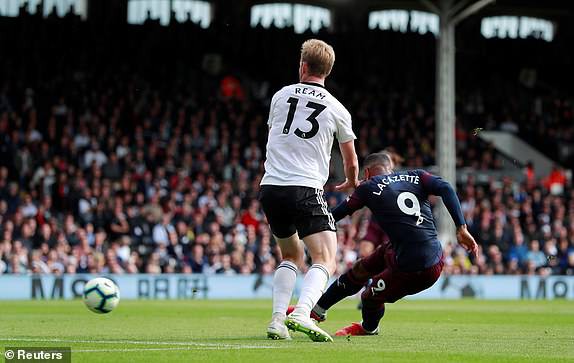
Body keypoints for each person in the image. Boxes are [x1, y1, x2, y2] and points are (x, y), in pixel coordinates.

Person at [308, 152, 477, 336]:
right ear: (391, 169)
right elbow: (446, 187)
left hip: (415, 269)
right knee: (360, 269)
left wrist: (305, 225)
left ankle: (369, 328)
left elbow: (337, 215)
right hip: (428, 256)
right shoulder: (417, 176)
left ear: (366, 173)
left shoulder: (368, 187)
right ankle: (317, 311)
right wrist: (461, 227)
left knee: (369, 297)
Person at [259, 39, 359, 342]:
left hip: (271, 187)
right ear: (327, 71)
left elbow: (275, 134)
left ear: (303, 66)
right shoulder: (337, 108)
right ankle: (302, 313)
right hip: (304, 187)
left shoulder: (280, 96)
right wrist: (352, 182)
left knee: (290, 254)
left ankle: (277, 320)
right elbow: (350, 159)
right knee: (326, 257)